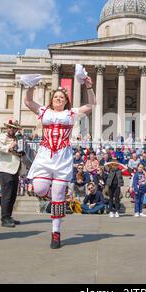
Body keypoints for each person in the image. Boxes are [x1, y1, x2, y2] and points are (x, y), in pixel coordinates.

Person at [23, 72, 95, 249]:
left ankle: (56, 233)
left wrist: (89, 86)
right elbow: (28, 102)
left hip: (62, 158)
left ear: (65, 100)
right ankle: (53, 195)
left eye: (61, 97)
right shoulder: (44, 111)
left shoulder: (71, 113)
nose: (58, 99)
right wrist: (31, 85)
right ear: (52, 99)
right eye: (55, 97)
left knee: (57, 196)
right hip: (45, 156)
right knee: (39, 189)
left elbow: (91, 104)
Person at [0, 120, 26, 228]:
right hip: (5, 169)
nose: (11, 129)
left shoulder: (18, 139)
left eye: (13, 128)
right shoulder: (2, 136)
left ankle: (9, 216)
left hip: (15, 169)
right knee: (7, 195)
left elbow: (18, 152)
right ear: (7, 128)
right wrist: (8, 148)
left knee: (12, 195)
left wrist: (22, 152)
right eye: (10, 127)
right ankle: (4, 218)